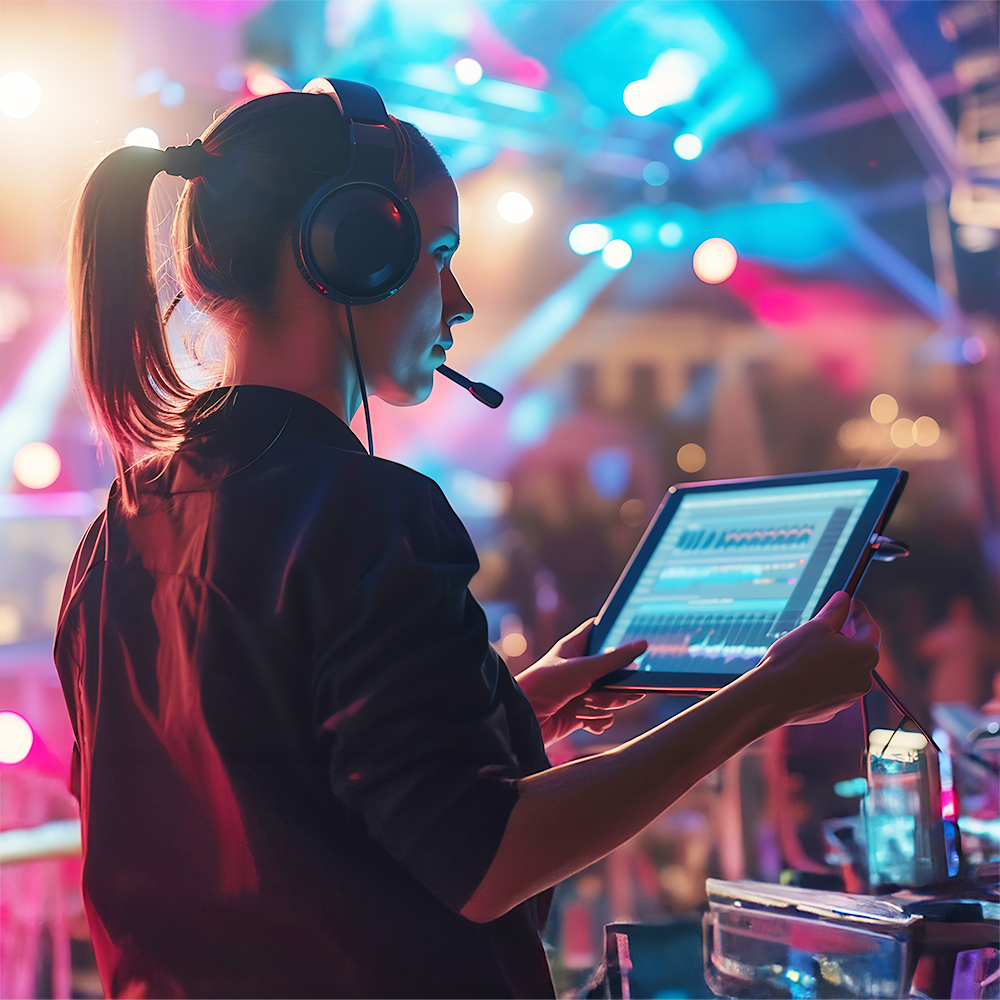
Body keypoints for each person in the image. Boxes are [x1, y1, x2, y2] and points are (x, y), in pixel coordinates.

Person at [55, 84, 880, 1000]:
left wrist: (513, 710)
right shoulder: (362, 512)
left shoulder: (119, 528)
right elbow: (488, 860)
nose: (459, 301)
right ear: (349, 255)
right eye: (437, 256)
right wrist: (763, 700)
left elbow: (274, 792)